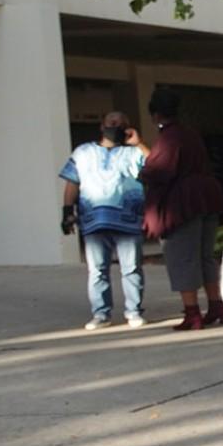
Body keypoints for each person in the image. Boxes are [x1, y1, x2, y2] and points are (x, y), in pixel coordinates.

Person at [142, 87, 223, 330]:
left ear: (156, 115)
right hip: (208, 199)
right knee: (205, 256)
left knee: (183, 257)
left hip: (182, 205)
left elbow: (158, 171)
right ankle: (216, 306)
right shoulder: (191, 134)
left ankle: (193, 313)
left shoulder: (168, 138)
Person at [61, 111, 149, 329]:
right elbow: (72, 181)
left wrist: (139, 144)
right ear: (102, 126)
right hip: (93, 221)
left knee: (131, 268)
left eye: (121, 123)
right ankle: (101, 313)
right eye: (111, 122)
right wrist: (66, 211)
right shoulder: (83, 153)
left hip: (128, 221)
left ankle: (134, 311)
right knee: (97, 270)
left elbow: (157, 164)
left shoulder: (133, 153)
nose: (115, 125)